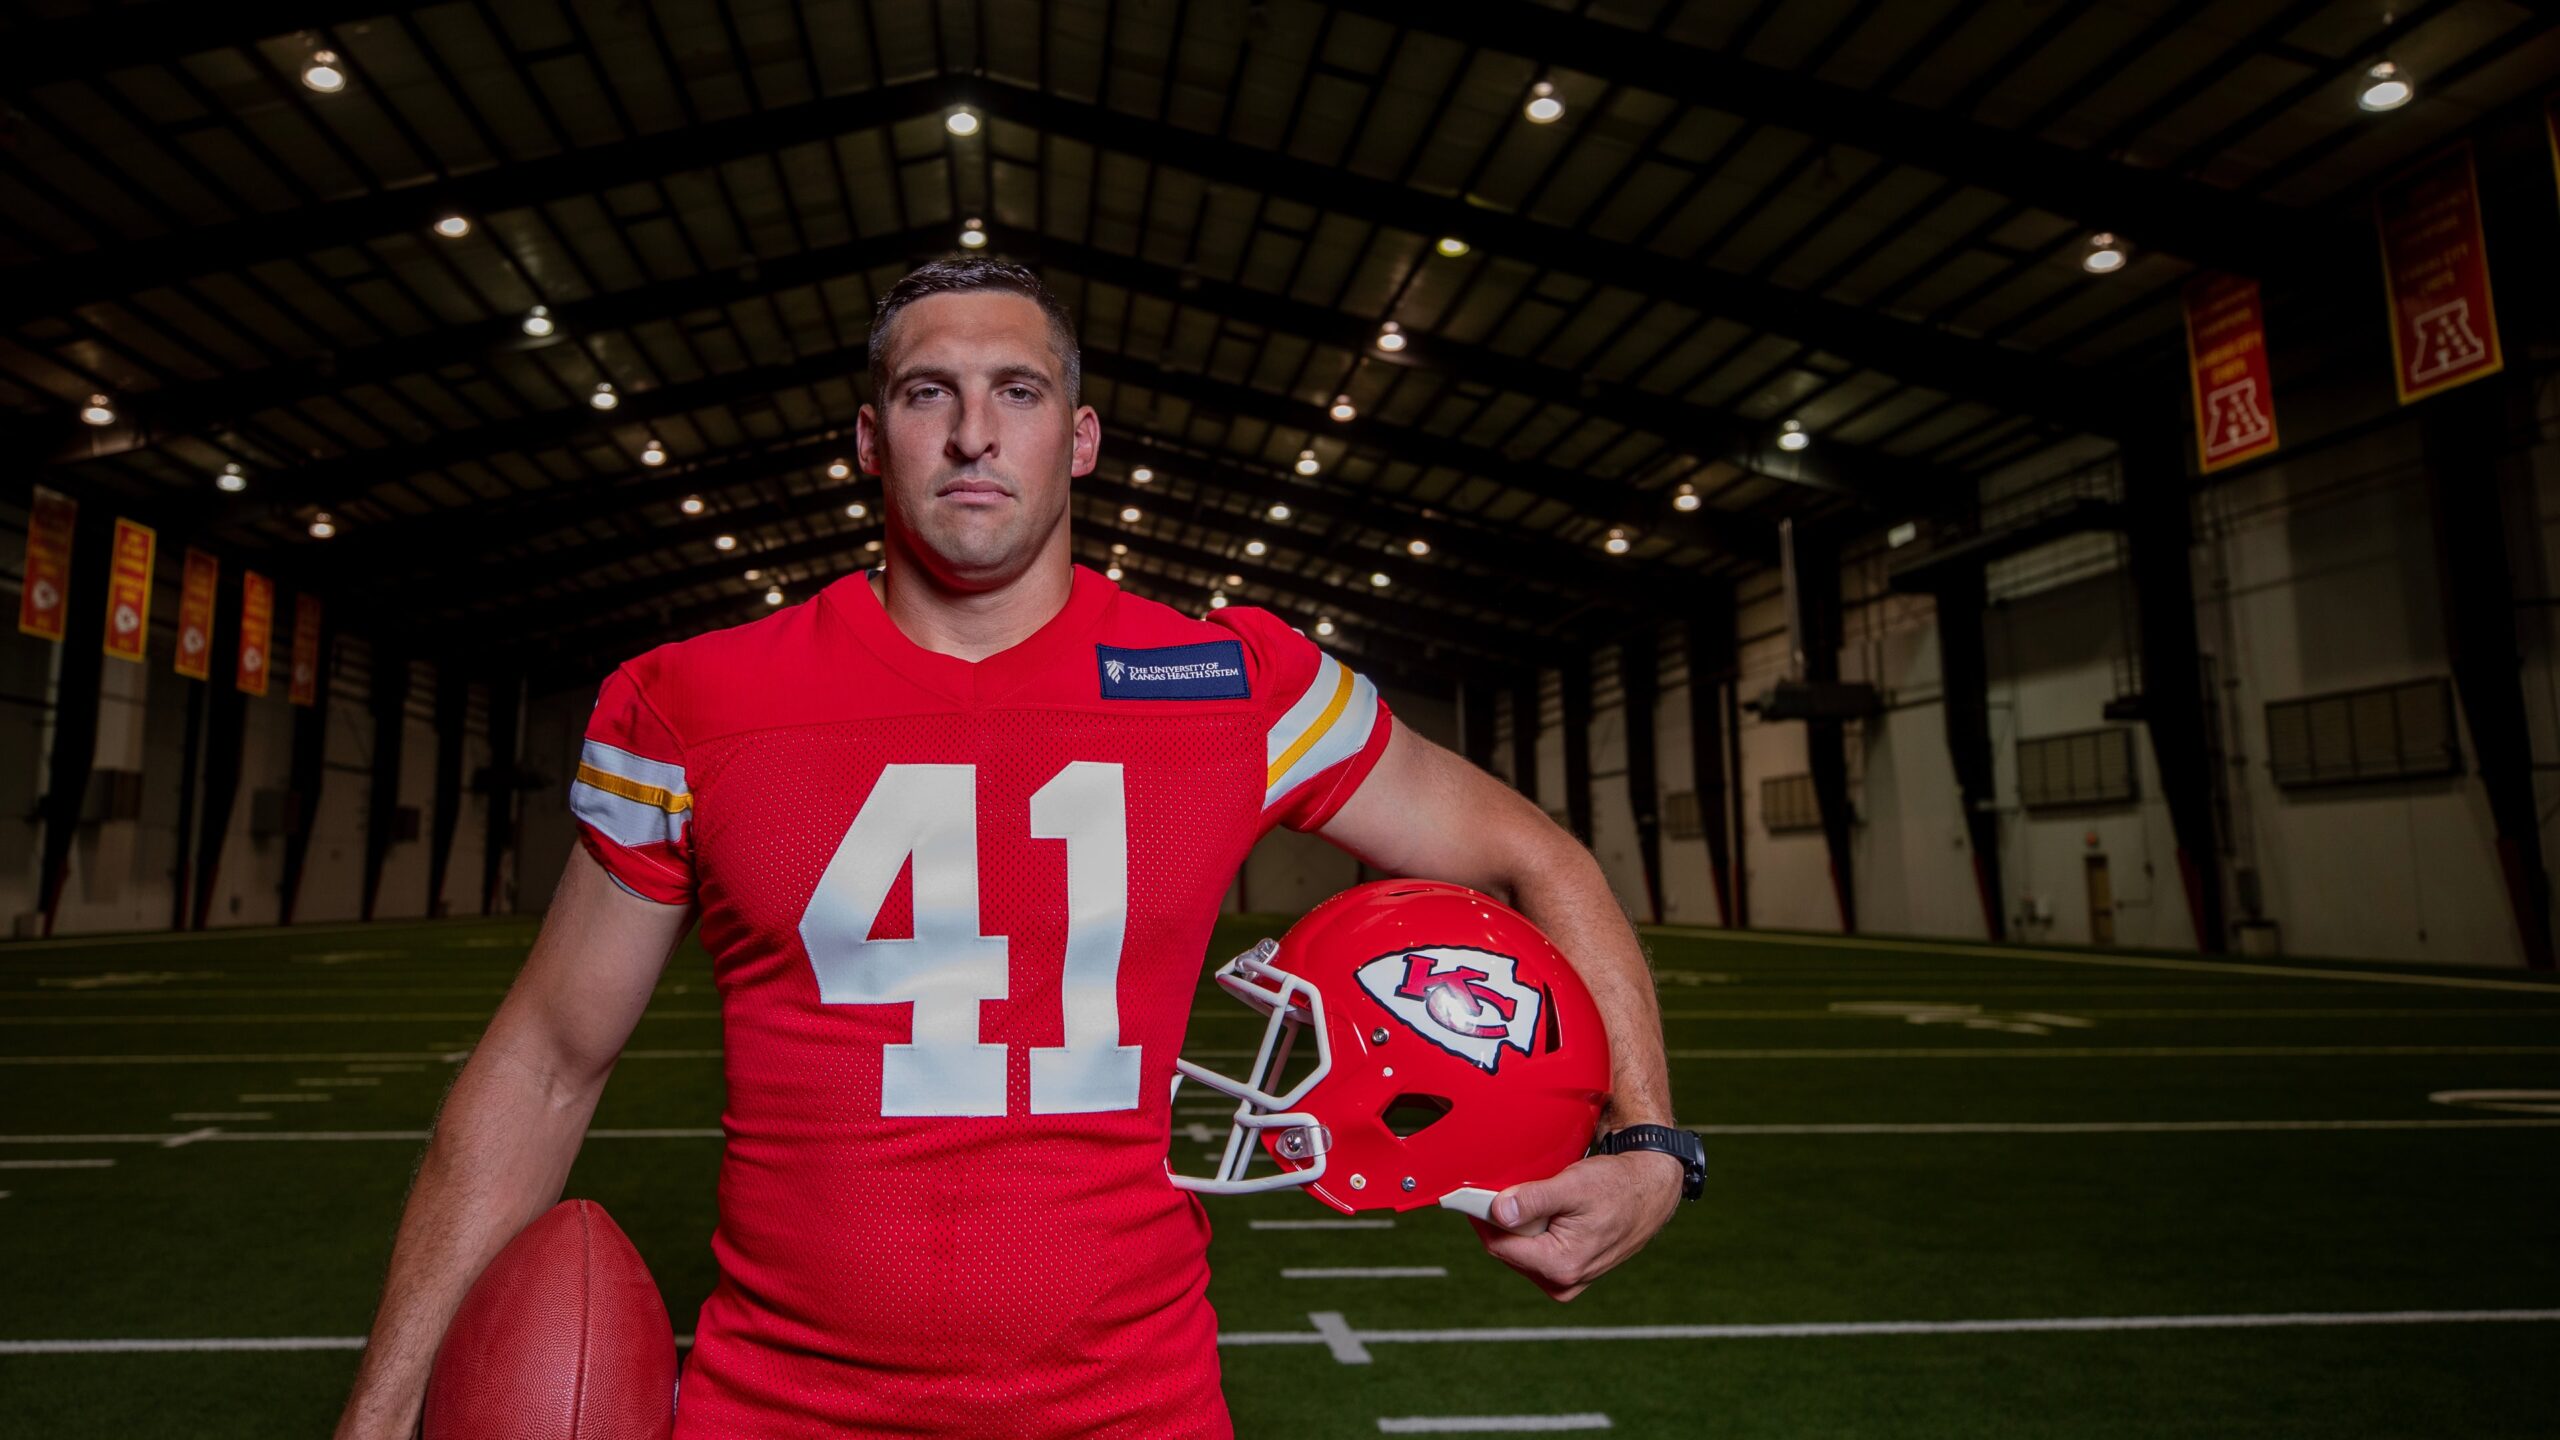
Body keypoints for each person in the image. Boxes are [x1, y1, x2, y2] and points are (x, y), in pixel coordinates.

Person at [334, 258, 1689, 1439]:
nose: (974, 432)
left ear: (1081, 438)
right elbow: (549, 1061)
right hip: (780, 1412)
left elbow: (1533, 859)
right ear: (871, 439)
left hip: (1134, 1410)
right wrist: (383, 1414)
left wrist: (1646, 1142)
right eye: (929, 394)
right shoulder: (696, 699)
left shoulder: (1232, 682)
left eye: (1018, 393)